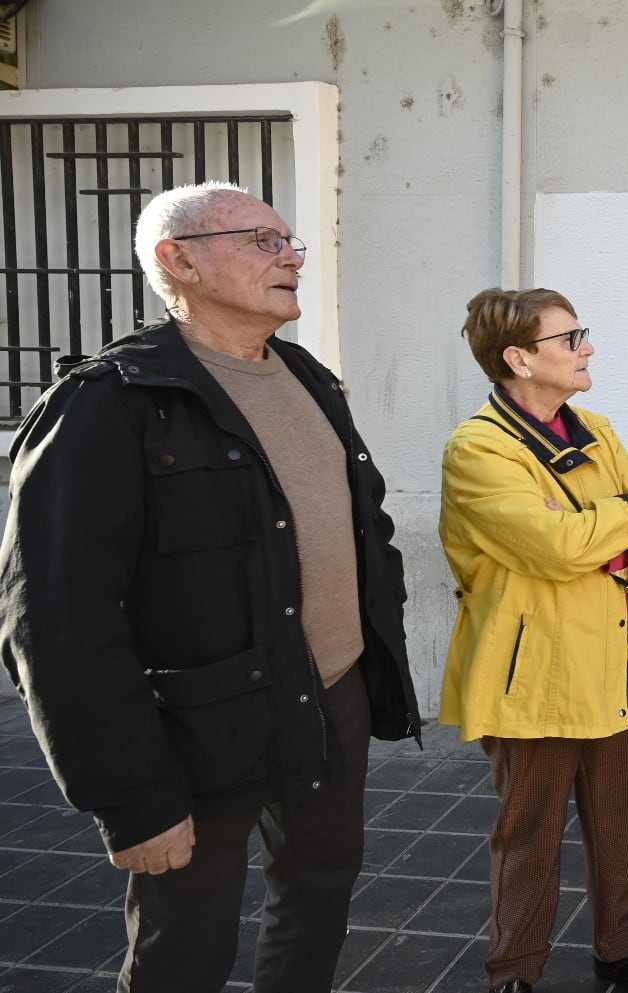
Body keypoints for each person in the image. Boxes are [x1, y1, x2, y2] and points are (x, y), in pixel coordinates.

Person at [0, 181, 419, 993]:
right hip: (199, 726)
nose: (292, 255)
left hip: (331, 701)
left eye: (290, 240)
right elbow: (55, 620)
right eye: (262, 240)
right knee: (184, 951)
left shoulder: (308, 378)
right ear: (177, 260)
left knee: (319, 899)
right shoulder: (108, 403)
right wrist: (132, 799)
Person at [438, 288, 628, 993]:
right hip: (532, 678)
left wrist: (621, 536)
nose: (588, 347)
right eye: (571, 337)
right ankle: (513, 974)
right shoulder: (478, 448)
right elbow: (551, 545)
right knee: (529, 838)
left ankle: (622, 948)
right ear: (519, 358)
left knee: (618, 823)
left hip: (608, 668)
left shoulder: (596, 430)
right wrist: (620, 516)